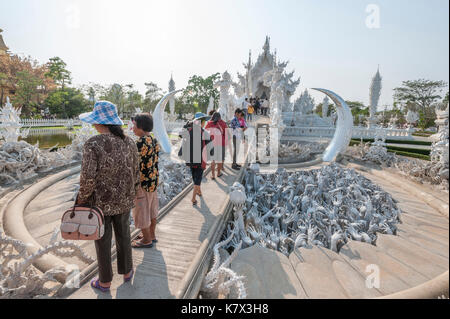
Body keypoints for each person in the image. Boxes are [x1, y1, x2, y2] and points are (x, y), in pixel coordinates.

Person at [77, 101, 139, 292]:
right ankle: (127, 271)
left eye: (94, 121)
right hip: (124, 200)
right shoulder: (129, 142)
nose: (93, 125)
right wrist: (133, 193)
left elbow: (88, 176)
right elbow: (136, 171)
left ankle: (104, 281)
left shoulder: (93, 143)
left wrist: (81, 199)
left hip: (101, 203)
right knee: (124, 235)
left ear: (99, 122)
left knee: (102, 241)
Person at [131, 113, 160, 249]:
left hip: (142, 184)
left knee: (142, 211)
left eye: (134, 126)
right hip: (153, 182)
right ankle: (152, 235)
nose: (132, 129)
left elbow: (133, 164)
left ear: (141, 127)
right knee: (152, 210)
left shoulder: (140, 143)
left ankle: (146, 240)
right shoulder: (153, 140)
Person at [180, 112, 211, 206]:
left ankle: (199, 191)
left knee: (195, 178)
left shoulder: (189, 131)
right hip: (200, 160)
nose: (205, 123)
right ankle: (193, 198)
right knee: (197, 179)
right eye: (204, 122)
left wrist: (187, 125)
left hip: (190, 159)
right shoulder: (204, 132)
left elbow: (180, 134)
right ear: (201, 123)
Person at [205, 112, 228, 179]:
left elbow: (205, 132)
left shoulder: (209, 123)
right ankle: (218, 173)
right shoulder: (223, 123)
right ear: (220, 117)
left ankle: (213, 175)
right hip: (221, 143)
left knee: (213, 160)